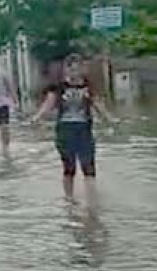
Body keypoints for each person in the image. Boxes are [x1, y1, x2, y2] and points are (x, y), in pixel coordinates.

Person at [32, 53, 115, 199]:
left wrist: (109, 118)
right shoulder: (58, 87)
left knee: (88, 168)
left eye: (77, 69)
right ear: (66, 70)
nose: (74, 73)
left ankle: (91, 203)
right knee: (69, 169)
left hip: (84, 129)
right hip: (65, 130)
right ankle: (69, 201)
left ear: (82, 69)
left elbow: (97, 103)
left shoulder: (88, 85)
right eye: (71, 69)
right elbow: (49, 103)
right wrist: (38, 117)